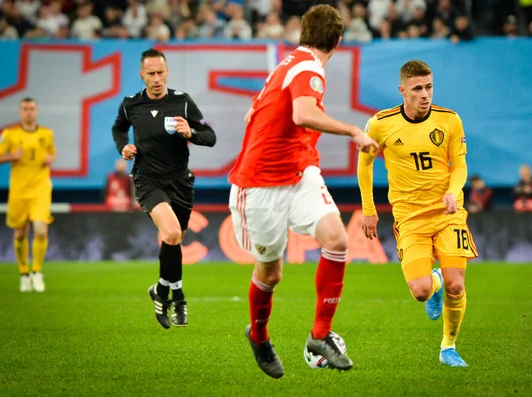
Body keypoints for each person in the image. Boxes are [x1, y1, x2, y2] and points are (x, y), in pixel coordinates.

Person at [228, 4, 378, 379]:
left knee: (337, 239)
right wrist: (354, 131)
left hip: (300, 172)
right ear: (338, 41)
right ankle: (259, 335)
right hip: (260, 184)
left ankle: (320, 335)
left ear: (303, 33)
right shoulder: (309, 68)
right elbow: (302, 114)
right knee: (271, 274)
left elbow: (261, 110)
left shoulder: (289, 62)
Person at [358, 60, 476, 367]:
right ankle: (433, 280)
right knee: (421, 291)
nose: (425, 95)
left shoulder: (449, 120)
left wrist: (453, 191)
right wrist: (369, 210)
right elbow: (365, 164)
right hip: (409, 217)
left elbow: (460, 165)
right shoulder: (381, 124)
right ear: (402, 91)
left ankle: (448, 347)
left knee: (457, 285)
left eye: (429, 87)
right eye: (417, 89)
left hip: (448, 212)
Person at [112, 48, 216, 329]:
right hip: (148, 181)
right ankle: (178, 298)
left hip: (181, 182)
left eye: (160, 72)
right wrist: (124, 146)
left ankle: (162, 290)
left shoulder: (182, 103)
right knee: (170, 233)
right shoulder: (130, 104)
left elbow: (210, 136)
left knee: (175, 239)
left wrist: (190, 133)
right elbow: (119, 129)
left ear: (167, 72)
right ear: (141, 74)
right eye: (151, 73)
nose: (156, 78)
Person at [0, 97, 56, 293]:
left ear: (36, 111)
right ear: (20, 112)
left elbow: (52, 154)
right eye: (25, 109)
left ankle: (37, 272)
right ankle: (23, 273)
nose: (29, 112)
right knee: (20, 233)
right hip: (19, 191)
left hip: (40, 189)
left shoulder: (47, 133)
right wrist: (13, 156)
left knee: (40, 230)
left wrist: (49, 158)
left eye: (32, 108)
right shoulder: (10, 134)